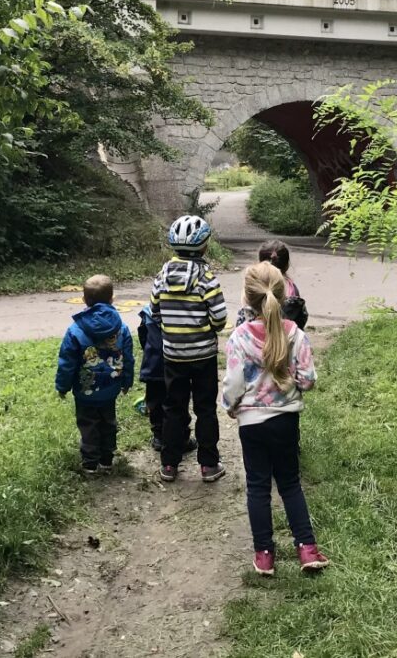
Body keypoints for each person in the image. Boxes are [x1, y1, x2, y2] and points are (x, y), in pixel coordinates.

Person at [221, 260, 329, 576]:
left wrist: (230, 405)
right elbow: (307, 380)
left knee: (257, 487)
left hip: (251, 424)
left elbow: (233, 384)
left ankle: (265, 556)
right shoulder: (295, 334)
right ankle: (307, 549)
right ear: (283, 295)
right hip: (285, 421)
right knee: (290, 484)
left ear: (246, 297)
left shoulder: (239, 338)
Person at [152, 214, 228, 483]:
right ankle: (208, 465)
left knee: (173, 408)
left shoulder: (161, 276)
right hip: (203, 355)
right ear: (204, 246)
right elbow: (220, 318)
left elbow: (155, 313)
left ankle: (169, 465)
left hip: (173, 355)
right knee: (205, 408)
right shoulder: (207, 278)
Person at [55, 274, 134, 476]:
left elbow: (67, 362)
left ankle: (90, 463)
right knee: (108, 421)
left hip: (85, 390)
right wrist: (127, 381)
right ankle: (106, 460)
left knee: (88, 423)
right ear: (112, 299)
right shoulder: (122, 328)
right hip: (110, 388)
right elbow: (128, 358)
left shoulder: (75, 330)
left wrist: (62, 386)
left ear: (84, 300)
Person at [136, 303, 196, 455]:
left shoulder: (148, 312)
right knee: (179, 402)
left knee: (155, 403)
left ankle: (159, 437)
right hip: (176, 365)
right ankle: (182, 437)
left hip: (153, 366)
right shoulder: (181, 309)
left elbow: (143, 337)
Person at [253, 239, 307, 330]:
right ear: (287, 265)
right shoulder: (292, 289)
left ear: (260, 263)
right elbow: (300, 321)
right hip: (289, 336)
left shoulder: (253, 288)